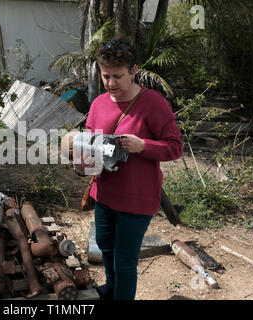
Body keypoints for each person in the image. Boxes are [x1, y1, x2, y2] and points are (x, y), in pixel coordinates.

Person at [82, 39, 183, 300]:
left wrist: (143, 146)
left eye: (118, 76)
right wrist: (82, 161)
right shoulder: (99, 103)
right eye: (106, 76)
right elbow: (89, 140)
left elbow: (175, 147)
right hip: (104, 194)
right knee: (105, 245)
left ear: (133, 71)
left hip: (138, 198)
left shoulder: (153, 103)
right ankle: (111, 288)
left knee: (125, 259)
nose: (111, 83)